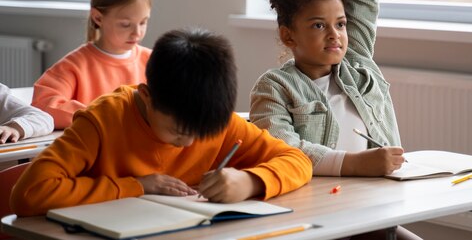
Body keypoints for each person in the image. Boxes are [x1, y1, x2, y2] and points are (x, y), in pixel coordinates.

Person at [250, 0, 421, 240]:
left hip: (376, 204)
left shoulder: (356, 61)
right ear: (288, 36)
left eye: (340, 24)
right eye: (318, 26)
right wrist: (359, 164)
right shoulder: (273, 88)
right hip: (319, 214)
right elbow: (286, 151)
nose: (336, 35)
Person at [11, 28, 313, 217]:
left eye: (201, 133)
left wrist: (250, 181)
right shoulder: (103, 121)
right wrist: (137, 186)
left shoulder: (215, 119)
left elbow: (297, 160)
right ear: (146, 97)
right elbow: (29, 193)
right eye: (179, 132)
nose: (191, 143)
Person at [32, 0, 153, 129]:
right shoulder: (74, 65)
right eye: (125, 24)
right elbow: (42, 105)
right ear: (98, 18)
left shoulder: (154, 61)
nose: (137, 32)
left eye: (143, 22)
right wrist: (104, 115)